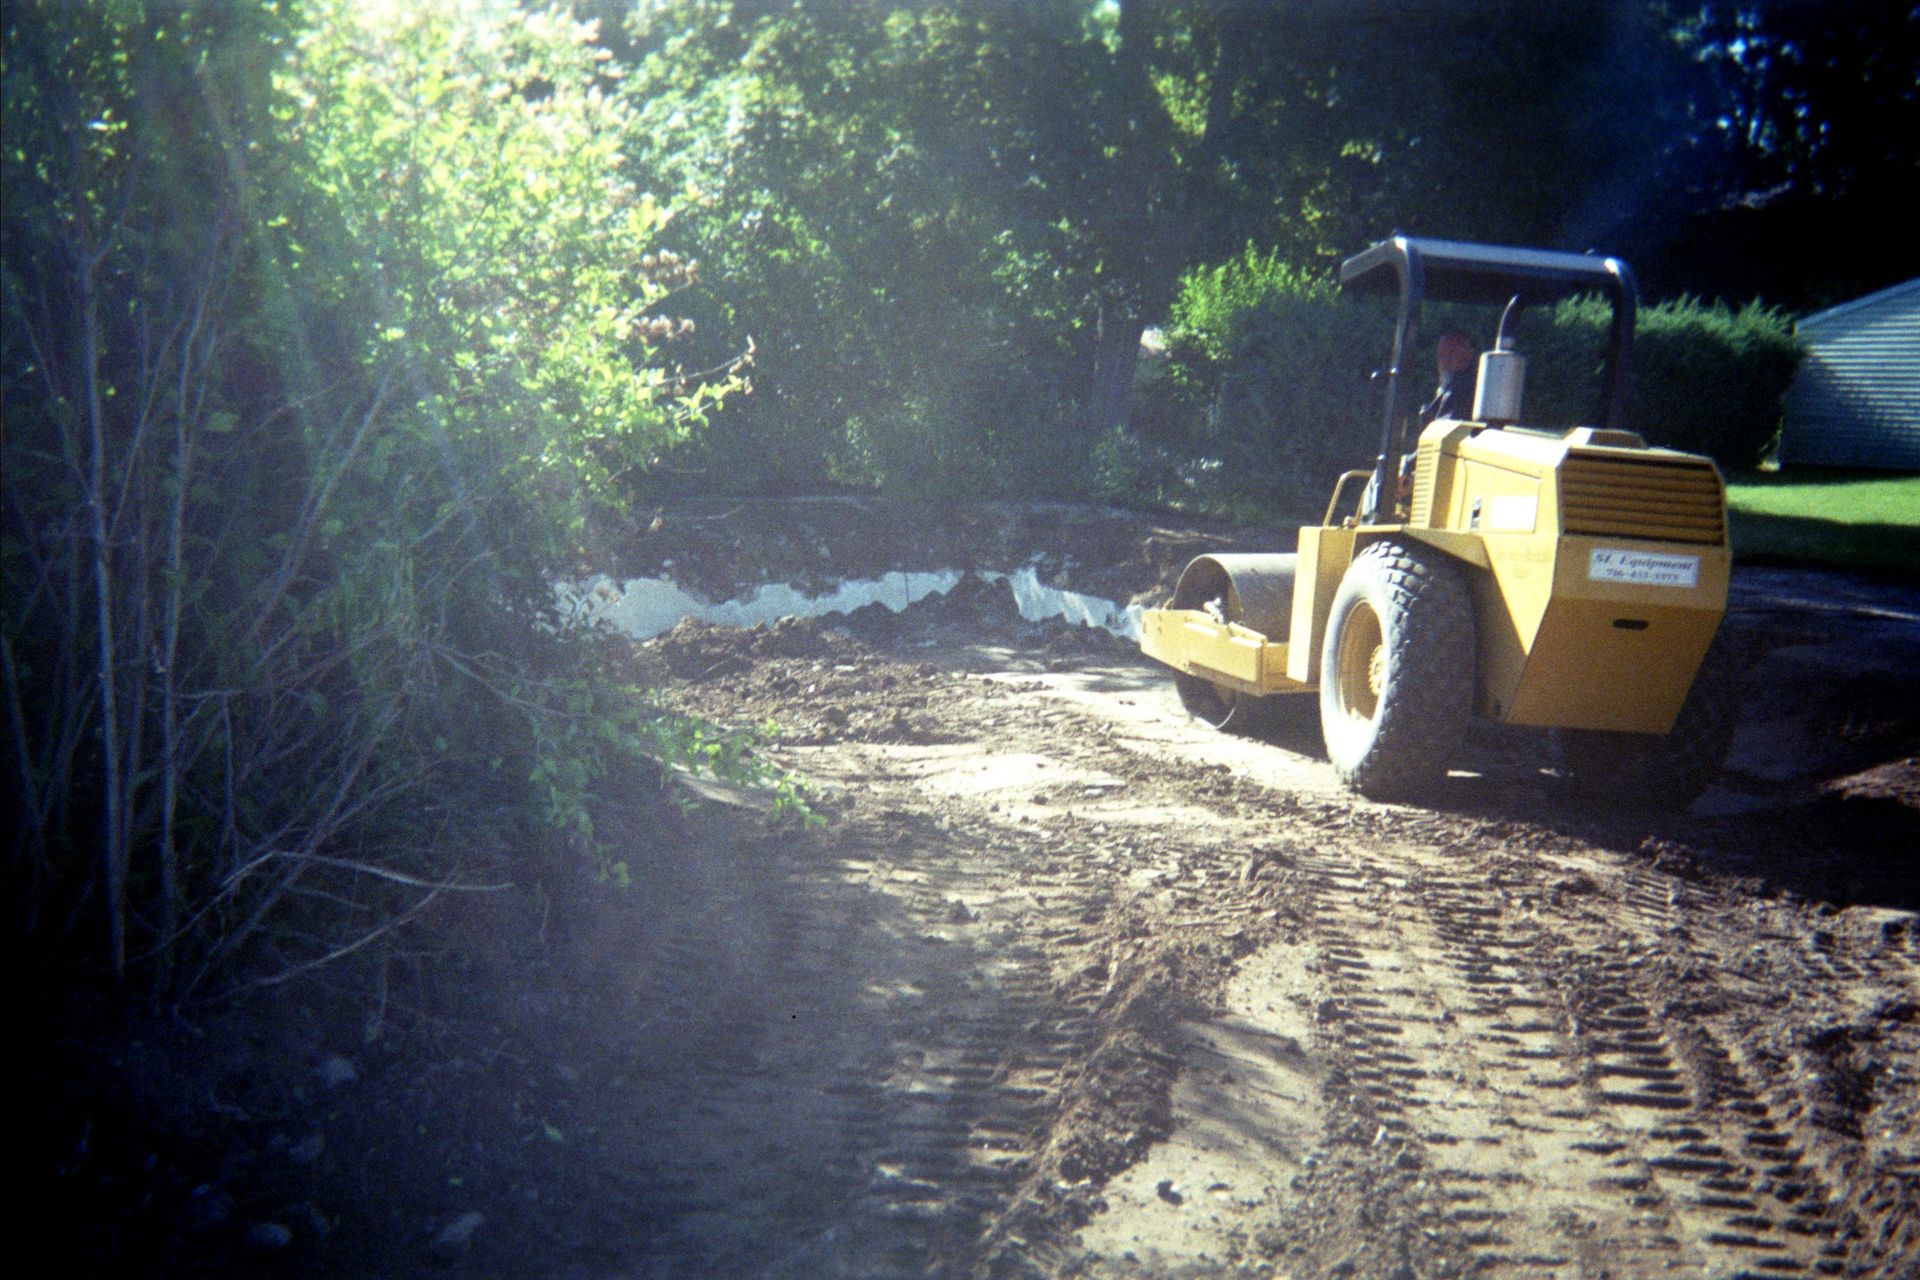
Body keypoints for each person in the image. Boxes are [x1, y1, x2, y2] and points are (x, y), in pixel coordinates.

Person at [1424, 329, 1478, 421]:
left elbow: (1445, 430)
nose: (1444, 361)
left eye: (1451, 354)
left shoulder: (1462, 389)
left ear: (1468, 354)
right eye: (1441, 355)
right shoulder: (1446, 388)